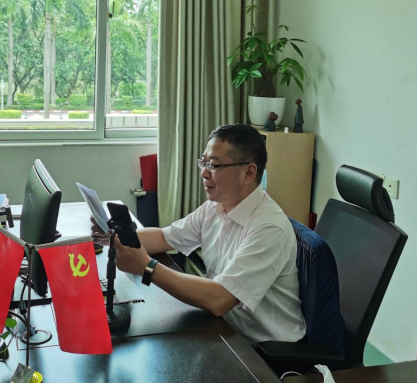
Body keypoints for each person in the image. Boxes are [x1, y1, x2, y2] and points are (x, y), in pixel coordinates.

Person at [92, 124, 306, 343]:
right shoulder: (215, 206)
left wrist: (146, 267)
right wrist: (112, 236)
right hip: (224, 329)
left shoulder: (269, 228)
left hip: (263, 349)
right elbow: (164, 237)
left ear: (248, 173)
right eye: (203, 163)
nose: (204, 173)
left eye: (213, 165)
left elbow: (220, 299)